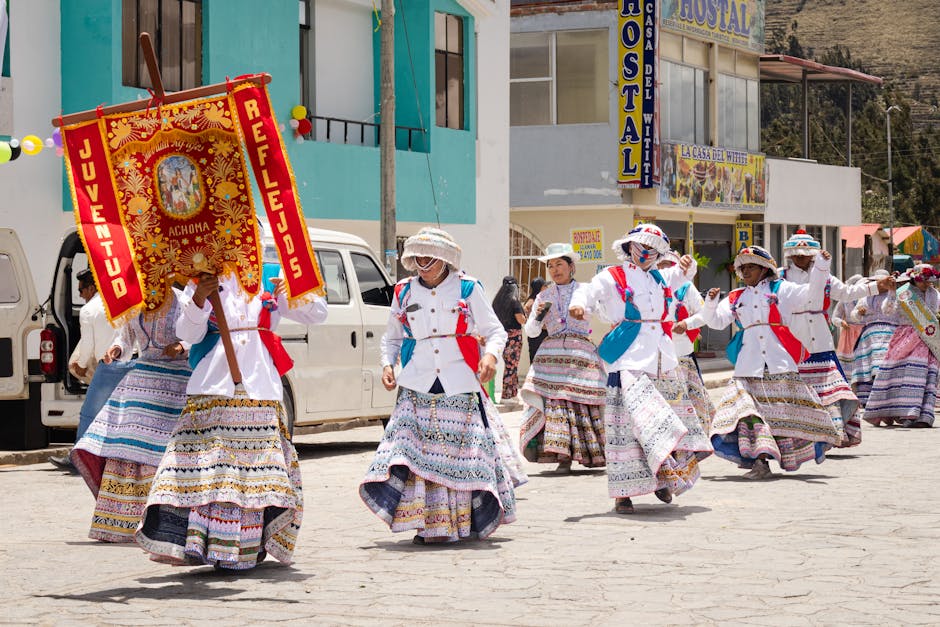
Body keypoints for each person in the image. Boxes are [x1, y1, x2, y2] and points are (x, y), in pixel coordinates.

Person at [136, 272, 328, 570]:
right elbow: (187, 333)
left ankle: (247, 548)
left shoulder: (272, 275)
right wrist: (200, 298)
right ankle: (200, 544)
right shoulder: (201, 278)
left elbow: (317, 313)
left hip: (260, 386)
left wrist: (293, 290)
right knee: (207, 473)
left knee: (252, 476)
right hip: (212, 385)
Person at [360, 227, 524, 544]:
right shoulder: (403, 292)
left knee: (459, 455)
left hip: (459, 381)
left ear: (445, 258)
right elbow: (392, 337)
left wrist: (490, 357)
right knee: (414, 455)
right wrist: (386, 365)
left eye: (430, 255)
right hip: (416, 383)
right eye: (419, 255)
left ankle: (462, 524)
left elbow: (495, 331)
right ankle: (427, 524)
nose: (424, 261)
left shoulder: (467, 287)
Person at [569, 224, 711, 514]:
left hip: (662, 360)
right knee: (631, 428)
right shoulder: (612, 276)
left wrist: (688, 264)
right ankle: (624, 494)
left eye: (654, 251)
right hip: (628, 360)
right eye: (642, 248)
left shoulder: (661, 278)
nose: (647, 254)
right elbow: (589, 291)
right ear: (629, 248)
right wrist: (579, 305)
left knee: (663, 424)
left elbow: (683, 276)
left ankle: (662, 480)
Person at [676, 246, 840, 479]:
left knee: (781, 414)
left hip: (779, 362)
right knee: (749, 414)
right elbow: (716, 322)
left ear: (765, 269)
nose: (745, 272)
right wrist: (711, 303)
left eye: (750, 267)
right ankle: (759, 461)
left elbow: (811, 295)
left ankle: (784, 455)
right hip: (747, 366)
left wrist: (821, 267)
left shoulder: (781, 289)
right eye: (742, 268)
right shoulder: (736, 297)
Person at [69, 291, 190, 542]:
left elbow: (197, 334)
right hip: (142, 375)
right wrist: (115, 349)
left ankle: (165, 520)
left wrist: (181, 346)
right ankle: (121, 520)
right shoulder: (135, 303)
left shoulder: (183, 300)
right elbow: (125, 338)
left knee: (164, 451)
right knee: (122, 442)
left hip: (178, 380)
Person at [777, 230, 894, 447]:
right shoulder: (779, 276)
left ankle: (832, 432)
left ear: (812, 255)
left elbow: (847, 292)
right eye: (796, 254)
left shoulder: (825, 276)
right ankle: (797, 436)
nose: (799, 258)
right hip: (791, 337)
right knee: (794, 390)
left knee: (828, 389)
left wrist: (877, 286)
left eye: (804, 254)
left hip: (820, 337)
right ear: (790, 255)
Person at [519, 243, 607, 472]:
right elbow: (531, 332)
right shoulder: (543, 296)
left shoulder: (586, 290)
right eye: (550, 265)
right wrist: (538, 316)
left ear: (571, 267)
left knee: (582, 400)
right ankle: (562, 455)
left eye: (559, 264)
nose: (555, 269)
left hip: (581, 351)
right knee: (555, 402)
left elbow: (605, 315)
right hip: (552, 353)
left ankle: (588, 452)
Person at [49, 269, 133, 471]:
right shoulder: (123, 300)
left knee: (90, 413)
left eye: (81, 289)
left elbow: (87, 345)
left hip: (110, 367)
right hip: (134, 365)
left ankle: (77, 459)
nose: (79, 295)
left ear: (92, 287)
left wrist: (82, 364)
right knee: (125, 415)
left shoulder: (89, 310)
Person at [862, 264, 940, 428]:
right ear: (914, 279)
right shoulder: (903, 293)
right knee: (900, 373)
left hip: (927, 338)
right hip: (904, 337)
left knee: (925, 374)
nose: (927, 284)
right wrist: (891, 292)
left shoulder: (934, 294)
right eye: (924, 281)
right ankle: (903, 413)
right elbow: (888, 311)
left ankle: (922, 415)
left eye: (929, 281)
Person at [657, 250, 716, 434]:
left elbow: (704, 314)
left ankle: (691, 433)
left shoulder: (687, 288)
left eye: (670, 265)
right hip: (655, 353)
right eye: (662, 265)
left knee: (687, 395)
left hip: (681, 350)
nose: (666, 269)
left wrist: (686, 323)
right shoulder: (651, 286)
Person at [849, 270, 897, 406]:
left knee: (883, 366)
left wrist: (892, 293)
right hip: (869, 335)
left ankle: (885, 399)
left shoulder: (893, 295)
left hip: (889, 333)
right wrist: (859, 312)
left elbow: (889, 309)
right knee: (868, 368)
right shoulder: (866, 297)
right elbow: (854, 316)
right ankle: (867, 398)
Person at [492, 276, 526, 404]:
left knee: (509, 365)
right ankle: (507, 396)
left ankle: (513, 394)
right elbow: (521, 319)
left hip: (501, 335)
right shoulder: (514, 300)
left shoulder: (496, 301)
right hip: (514, 336)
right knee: (512, 366)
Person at [832, 274, 865, 374]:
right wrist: (841, 322)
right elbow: (835, 317)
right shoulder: (845, 300)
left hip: (863, 332)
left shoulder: (866, 298)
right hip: (849, 333)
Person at [523, 276, 550, 362]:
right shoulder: (537, 301)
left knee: (534, 358)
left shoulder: (529, 300)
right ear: (541, 287)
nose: (547, 287)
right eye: (545, 285)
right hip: (540, 333)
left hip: (532, 333)